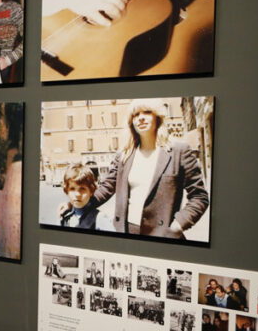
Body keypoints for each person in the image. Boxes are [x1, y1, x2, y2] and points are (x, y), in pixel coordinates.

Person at [73, 99, 209, 238]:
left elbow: (200, 197)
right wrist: (77, 203)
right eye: (136, 114)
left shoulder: (178, 151)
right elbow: (107, 187)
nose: (141, 118)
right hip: (126, 232)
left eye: (147, 112)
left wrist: (178, 225)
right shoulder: (124, 155)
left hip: (163, 235)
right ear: (131, 121)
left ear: (157, 117)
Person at [59, 163, 110, 230]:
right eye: (72, 189)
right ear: (66, 191)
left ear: (91, 191)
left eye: (82, 189)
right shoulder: (64, 216)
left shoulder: (99, 218)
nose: (77, 194)